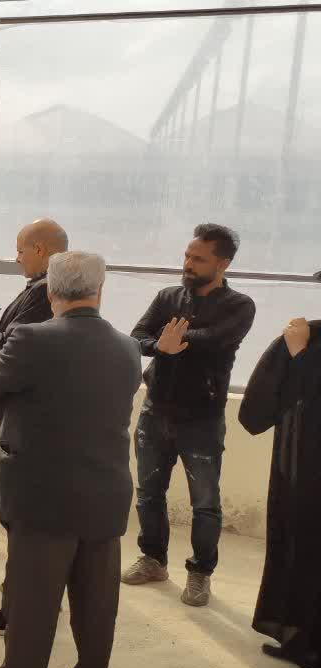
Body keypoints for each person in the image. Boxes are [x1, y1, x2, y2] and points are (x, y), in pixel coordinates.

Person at [0, 251, 142, 668]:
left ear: (50, 290)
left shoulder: (31, 338)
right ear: (99, 290)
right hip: (105, 494)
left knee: (32, 608)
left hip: (42, 499)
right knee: (97, 603)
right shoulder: (128, 347)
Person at [123, 223, 256, 607]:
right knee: (148, 493)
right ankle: (153, 559)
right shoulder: (168, 296)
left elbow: (217, 339)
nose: (188, 263)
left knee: (205, 502)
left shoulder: (240, 305)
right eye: (187, 255)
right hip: (155, 410)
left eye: (199, 259)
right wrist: (160, 345)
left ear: (223, 263)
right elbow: (137, 337)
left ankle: (200, 573)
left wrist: (173, 340)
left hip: (202, 418)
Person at [0, 218, 67, 636]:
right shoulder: (46, 293)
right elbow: (17, 340)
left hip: (27, 423)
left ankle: (20, 609)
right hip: (37, 422)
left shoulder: (45, 294)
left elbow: (14, 352)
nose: (17, 258)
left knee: (21, 519)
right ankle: (30, 600)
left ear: (41, 250)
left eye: (21, 250)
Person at [239, 316, 321, 668]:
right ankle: (304, 641)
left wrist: (300, 357)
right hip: (307, 482)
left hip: (309, 480)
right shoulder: (308, 336)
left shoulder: (304, 341)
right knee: (305, 556)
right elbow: (256, 414)